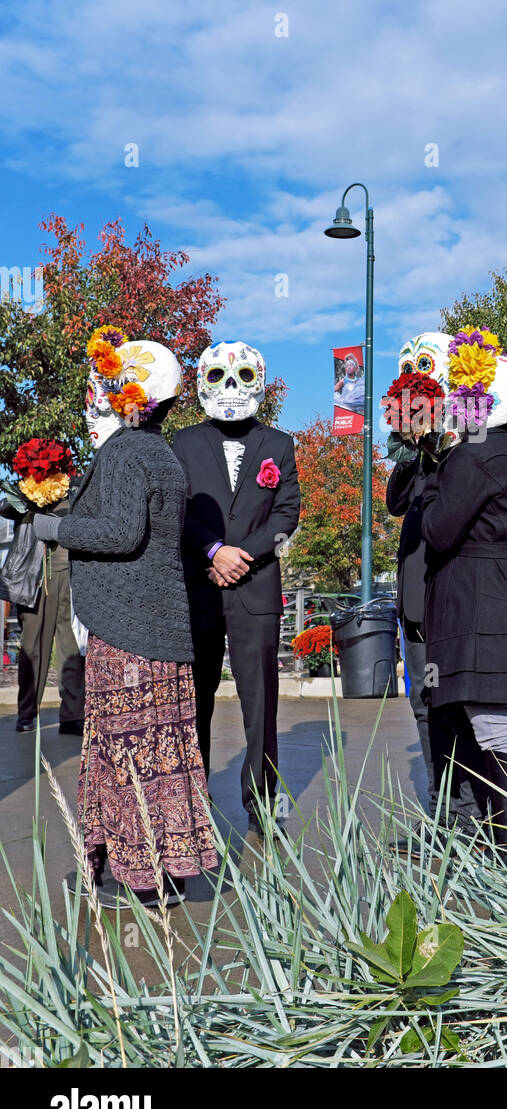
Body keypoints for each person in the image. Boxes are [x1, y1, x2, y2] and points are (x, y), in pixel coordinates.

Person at [32, 328, 216, 907]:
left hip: (128, 629)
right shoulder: (159, 450)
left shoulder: (125, 451)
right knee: (160, 751)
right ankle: (163, 874)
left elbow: (119, 532)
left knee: (126, 751)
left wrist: (50, 526)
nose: (96, 399)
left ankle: (137, 880)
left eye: (104, 389)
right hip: (159, 628)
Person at [420, 328, 507, 860]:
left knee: (496, 735)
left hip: (479, 605)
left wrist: (432, 483)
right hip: (500, 597)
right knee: (496, 732)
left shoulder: (474, 455)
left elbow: (439, 529)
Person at [172, 341, 300, 835]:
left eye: (242, 376)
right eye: (221, 376)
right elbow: (175, 508)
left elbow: (289, 512)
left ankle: (262, 804)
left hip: (256, 589)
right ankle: (191, 804)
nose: (231, 387)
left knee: (261, 703)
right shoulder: (181, 444)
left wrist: (241, 554)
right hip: (199, 589)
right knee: (194, 700)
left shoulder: (279, 444)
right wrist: (212, 551)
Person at [385, 331, 486, 829]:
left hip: (454, 596)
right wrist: (411, 443)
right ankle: (443, 811)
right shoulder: (418, 450)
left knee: (459, 705)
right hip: (417, 599)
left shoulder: (469, 439)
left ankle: (471, 813)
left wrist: (439, 438)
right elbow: (395, 501)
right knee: (425, 708)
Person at [0, 490, 85, 735]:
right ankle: (27, 713)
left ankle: (72, 715)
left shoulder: (73, 486)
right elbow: (5, 508)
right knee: (32, 646)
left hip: (68, 573)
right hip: (34, 576)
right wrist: (30, 494)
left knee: (70, 647)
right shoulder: (27, 487)